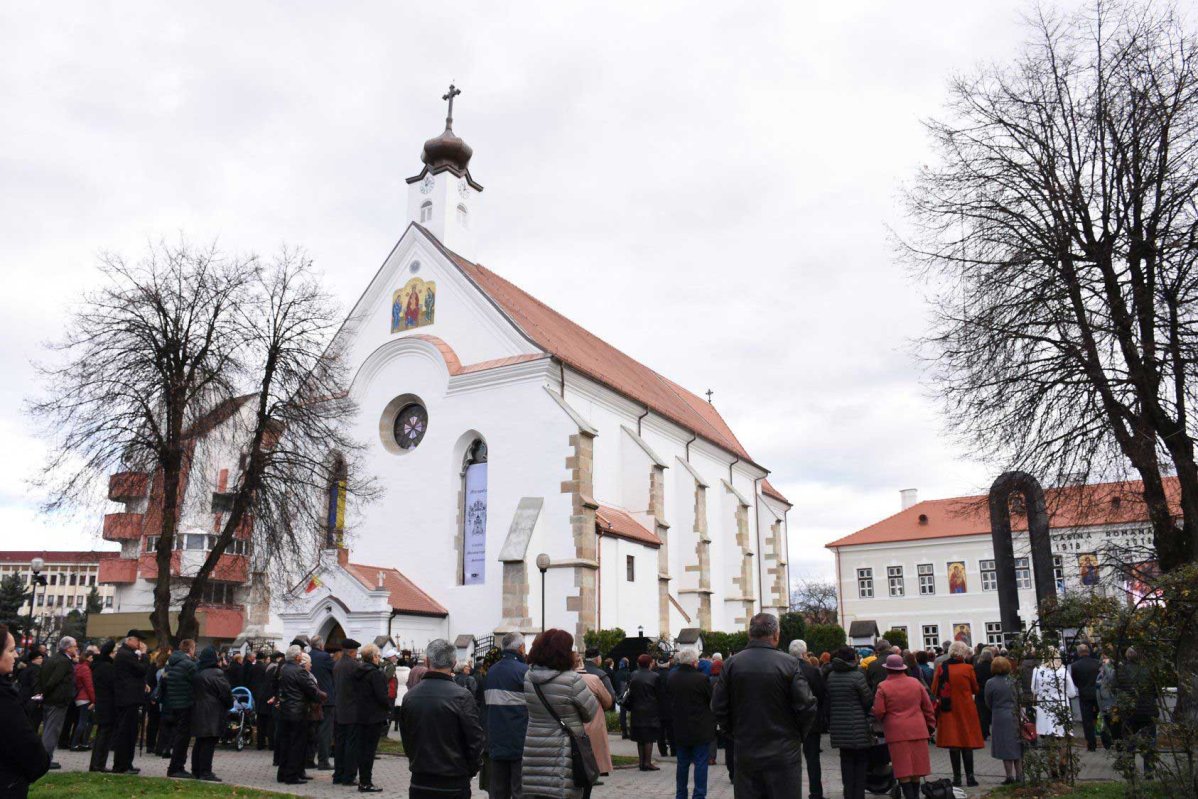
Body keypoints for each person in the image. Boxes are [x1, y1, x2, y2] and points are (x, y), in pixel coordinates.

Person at [711, 613, 817, 799]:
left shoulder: (731, 664)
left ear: (749, 634)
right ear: (776, 635)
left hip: (747, 748)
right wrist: (796, 736)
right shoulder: (789, 663)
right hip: (783, 751)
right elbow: (807, 705)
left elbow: (718, 707)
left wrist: (734, 732)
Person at [401, 638, 486, 799]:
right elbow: (475, 740)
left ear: (427, 662)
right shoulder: (462, 696)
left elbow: (407, 740)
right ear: (454, 663)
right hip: (452, 780)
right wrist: (471, 768)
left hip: (422, 779)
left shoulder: (410, 697)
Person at [520, 629, 599, 799]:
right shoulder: (572, 680)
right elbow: (590, 712)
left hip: (535, 749)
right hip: (565, 753)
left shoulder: (529, 677)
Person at [872, 654, 935, 799]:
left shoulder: (883, 686)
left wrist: (882, 721)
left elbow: (879, 711)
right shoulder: (915, 683)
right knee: (917, 769)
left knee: (903, 769)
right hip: (918, 730)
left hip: (896, 732)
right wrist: (930, 725)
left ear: (888, 669)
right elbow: (928, 707)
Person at [0, 623, 51, 799]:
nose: (15, 655)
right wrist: (39, 765)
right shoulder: (4, 698)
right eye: (11, 650)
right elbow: (24, 742)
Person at [931, 640, 984, 787]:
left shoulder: (942, 668)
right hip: (966, 708)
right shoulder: (968, 668)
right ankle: (970, 777)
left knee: (953, 743)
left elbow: (934, 689)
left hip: (948, 709)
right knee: (967, 743)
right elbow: (976, 689)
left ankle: (956, 778)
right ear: (964, 653)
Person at [483, 632, 529, 799]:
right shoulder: (524, 672)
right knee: (519, 790)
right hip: (519, 740)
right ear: (521, 648)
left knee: (498, 791)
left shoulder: (491, 672)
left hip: (496, 740)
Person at [825, 646, 875, 799]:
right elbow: (867, 701)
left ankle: (848, 794)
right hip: (858, 726)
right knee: (860, 764)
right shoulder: (857, 676)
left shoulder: (831, 676)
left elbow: (828, 701)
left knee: (846, 762)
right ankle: (858, 795)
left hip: (839, 727)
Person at [667, 648, 713, 799]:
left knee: (682, 764)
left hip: (680, 727)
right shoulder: (701, 679)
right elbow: (710, 699)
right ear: (694, 662)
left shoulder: (672, 678)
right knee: (700, 764)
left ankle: (681, 795)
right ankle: (699, 795)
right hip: (700, 727)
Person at [276, 644, 324, 785]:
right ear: (297, 657)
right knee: (297, 745)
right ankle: (292, 776)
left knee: (285, 744)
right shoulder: (299, 671)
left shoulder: (283, 669)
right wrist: (321, 696)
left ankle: (282, 774)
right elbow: (311, 690)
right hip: (298, 712)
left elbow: (277, 686)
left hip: (285, 711)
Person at [788, 640, 826, 799]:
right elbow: (821, 695)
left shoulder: (785, 670)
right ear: (805, 653)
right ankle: (816, 792)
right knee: (813, 759)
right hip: (811, 720)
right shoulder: (813, 671)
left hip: (789, 721)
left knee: (789, 759)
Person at [190, 645, 233, 782]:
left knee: (200, 741)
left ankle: (196, 770)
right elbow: (226, 693)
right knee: (209, 742)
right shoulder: (216, 673)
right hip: (213, 712)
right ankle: (205, 771)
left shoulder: (197, 672)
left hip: (198, 709)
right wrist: (229, 704)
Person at [575, 651, 614, 796]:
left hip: (570, 727)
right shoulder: (594, 678)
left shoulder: (561, 679)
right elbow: (608, 700)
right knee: (592, 755)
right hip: (593, 722)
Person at [37, 635, 78, 769]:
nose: (76, 649)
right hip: (58, 700)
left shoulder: (52, 659)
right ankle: (45, 759)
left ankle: (43, 758)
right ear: (68, 648)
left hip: (49, 699)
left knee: (49, 728)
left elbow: (43, 677)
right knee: (52, 731)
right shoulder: (64, 662)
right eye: (74, 646)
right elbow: (54, 680)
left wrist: (44, 693)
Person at [1116, 647, 1158, 779]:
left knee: (1129, 742)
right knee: (1149, 742)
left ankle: (1130, 771)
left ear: (1127, 657)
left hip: (1130, 711)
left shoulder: (1121, 671)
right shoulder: (1149, 670)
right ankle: (1149, 772)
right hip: (1148, 710)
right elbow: (1156, 692)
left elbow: (1114, 688)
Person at [354, 643, 390, 793]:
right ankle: (366, 782)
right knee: (369, 751)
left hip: (360, 714)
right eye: (378, 656)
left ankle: (363, 780)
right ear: (374, 657)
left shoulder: (358, 671)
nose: (379, 658)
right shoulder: (376, 673)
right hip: (373, 716)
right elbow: (382, 696)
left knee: (363, 750)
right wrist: (388, 707)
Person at [983, 656, 1023, 784]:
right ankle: (1020, 775)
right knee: (1017, 745)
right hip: (1014, 714)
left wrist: (995, 708)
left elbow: (988, 701)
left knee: (1005, 746)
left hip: (999, 715)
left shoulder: (990, 683)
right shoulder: (1014, 681)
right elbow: (1020, 697)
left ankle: (1009, 776)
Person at [164, 639, 198, 777]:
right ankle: (176, 768)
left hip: (172, 702)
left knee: (177, 735)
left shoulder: (170, 663)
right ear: (190, 649)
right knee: (182, 738)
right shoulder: (189, 665)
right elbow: (197, 682)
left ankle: (176, 766)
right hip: (185, 703)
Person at [332, 638, 362, 787]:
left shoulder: (338, 664)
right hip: (352, 711)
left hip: (339, 710)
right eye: (356, 651)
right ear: (352, 651)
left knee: (340, 744)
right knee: (351, 745)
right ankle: (349, 776)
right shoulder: (354, 666)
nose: (356, 654)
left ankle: (338, 774)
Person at [626, 653, 663, 770]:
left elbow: (630, 692)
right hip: (650, 709)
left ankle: (641, 762)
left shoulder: (633, 675)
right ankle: (648, 762)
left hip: (636, 709)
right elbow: (659, 694)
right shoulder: (655, 676)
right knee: (649, 737)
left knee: (639, 736)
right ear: (650, 663)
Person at [307, 635, 336, 771]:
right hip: (325, 699)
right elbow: (334, 671)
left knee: (311, 730)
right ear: (321, 645)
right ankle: (323, 761)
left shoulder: (307, 656)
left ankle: (309, 759)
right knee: (325, 731)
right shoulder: (325, 657)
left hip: (311, 698)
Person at [88, 640, 116, 773]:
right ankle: (99, 764)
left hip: (101, 703)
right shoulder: (107, 667)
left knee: (102, 734)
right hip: (107, 705)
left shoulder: (98, 666)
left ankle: (96, 764)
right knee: (104, 736)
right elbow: (113, 685)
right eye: (115, 652)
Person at [1069, 643, 1101, 752]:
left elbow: (1075, 681)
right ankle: (1106, 740)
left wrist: (1082, 687)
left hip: (1084, 694)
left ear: (1078, 653)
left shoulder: (1075, 666)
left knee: (1087, 721)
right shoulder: (1097, 663)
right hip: (1097, 694)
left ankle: (1091, 744)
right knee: (1101, 717)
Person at [249, 647, 273, 751]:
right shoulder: (265, 668)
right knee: (267, 722)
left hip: (255, 693)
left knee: (259, 721)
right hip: (265, 695)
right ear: (263, 659)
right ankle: (268, 743)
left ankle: (260, 743)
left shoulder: (252, 667)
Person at [974, 647, 994, 740]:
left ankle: (983, 732)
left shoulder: (977, 666)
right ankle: (992, 730)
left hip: (980, 691)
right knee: (991, 711)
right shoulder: (993, 666)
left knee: (982, 713)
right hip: (991, 690)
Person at [612, 658, 632, 739]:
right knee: (631, 714)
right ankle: (631, 731)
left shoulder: (616, 674)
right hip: (628, 696)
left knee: (622, 715)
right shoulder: (628, 673)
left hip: (620, 696)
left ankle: (624, 732)